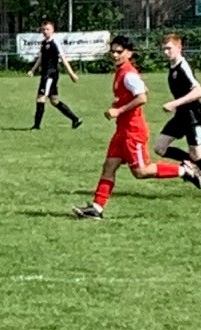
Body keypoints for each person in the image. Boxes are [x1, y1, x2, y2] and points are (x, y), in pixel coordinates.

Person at [73, 35, 201, 219]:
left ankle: (185, 171)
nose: (115, 55)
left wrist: (119, 109)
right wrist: (122, 101)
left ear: (129, 53)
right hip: (121, 131)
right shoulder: (123, 71)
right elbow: (142, 89)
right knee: (109, 166)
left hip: (133, 132)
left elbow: (142, 97)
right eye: (112, 51)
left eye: (119, 52)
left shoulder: (128, 74)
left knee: (141, 172)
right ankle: (97, 208)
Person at [155, 34, 201, 168]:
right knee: (160, 147)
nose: (165, 52)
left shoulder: (183, 66)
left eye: (169, 48)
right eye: (164, 49)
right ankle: (192, 167)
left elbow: (198, 91)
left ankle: (195, 167)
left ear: (179, 47)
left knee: (197, 155)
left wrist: (174, 103)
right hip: (181, 116)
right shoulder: (173, 66)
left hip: (193, 116)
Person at [27, 19, 81, 130]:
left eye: (47, 29)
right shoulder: (44, 43)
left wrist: (71, 74)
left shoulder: (54, 43)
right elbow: (41, 58)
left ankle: (36, 126)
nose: (45, 31)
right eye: (43, 29)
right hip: (45, 74)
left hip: (50, 75)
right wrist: (33, 70)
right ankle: (75, 119)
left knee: (41, 98)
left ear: (53, 30)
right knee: (54, 100)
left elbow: (63, 59)